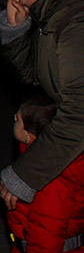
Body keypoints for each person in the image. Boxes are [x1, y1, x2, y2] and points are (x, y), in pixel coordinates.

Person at [0, 0, 84, 218]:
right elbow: (38, 78)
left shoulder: (75, 24)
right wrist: (16, 30)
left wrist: (25, 174)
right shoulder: (56, 15)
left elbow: (78, 115)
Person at [6, 91, 84, 253]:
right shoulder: (40, 165)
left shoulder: (50, 184)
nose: (14, 118)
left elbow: (45, 236)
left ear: (30, 136)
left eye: (18, 120)